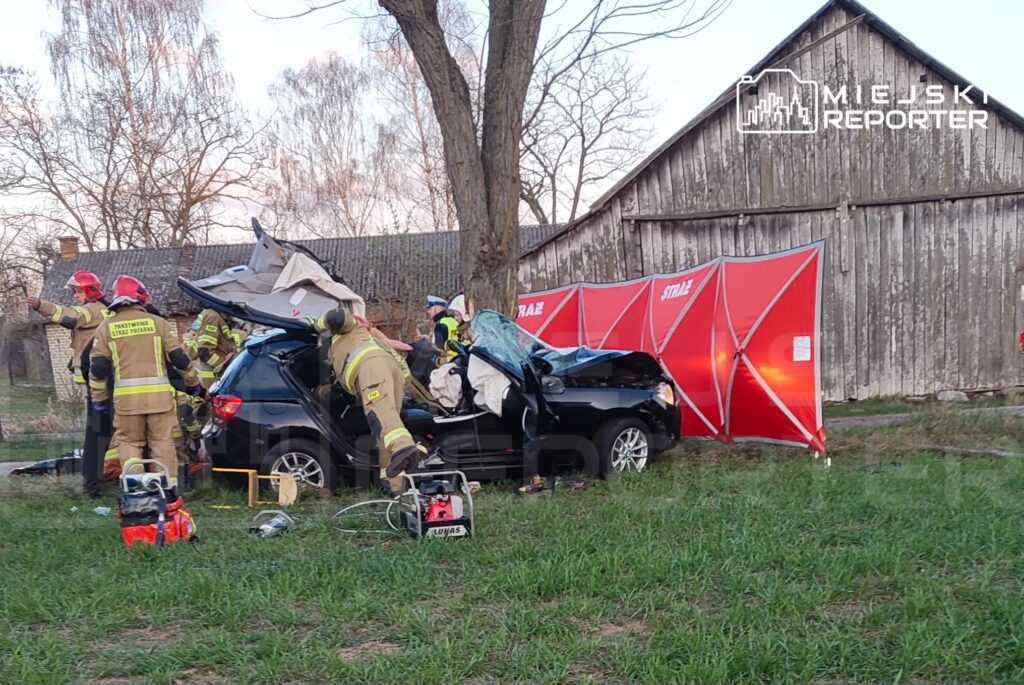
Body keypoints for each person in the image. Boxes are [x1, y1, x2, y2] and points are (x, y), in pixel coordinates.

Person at [89, 275, 204, 487]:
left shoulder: (105, 328)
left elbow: (98, 369)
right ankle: (166, 491)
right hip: (159, 400)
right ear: (140, 297)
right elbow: (180, 358)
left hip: (126, 404)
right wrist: (194, 384)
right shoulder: (158, 323)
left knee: (129, 443)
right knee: (162, 443)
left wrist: (100, 400)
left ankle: (137, 489)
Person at [315, 306, 420, 494]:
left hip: (371, 367)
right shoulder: (369, 339)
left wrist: (315, 323)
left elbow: (337, 315)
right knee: (384, 429)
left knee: (378, 413)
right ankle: (394, 487)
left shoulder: (351, 328)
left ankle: (404, 448)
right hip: (390, 371)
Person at [27, 271, 110, 498]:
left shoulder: (93, 309)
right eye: (73, 292)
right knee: (104, 435)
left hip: (97, 386)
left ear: (90, 291)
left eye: (78, 291)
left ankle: (92, 488)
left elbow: (69, 316)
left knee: (96, 436)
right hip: (97, 384)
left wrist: (40, 305)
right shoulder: (99, 310)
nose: (74, 296)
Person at [427, 295, 459, 363]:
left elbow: (439, 349)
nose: (428, 312)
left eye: (430, 308)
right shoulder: (454, 321)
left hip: (448, 364)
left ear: (437, 308)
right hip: (460, 360)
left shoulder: (440, 324)